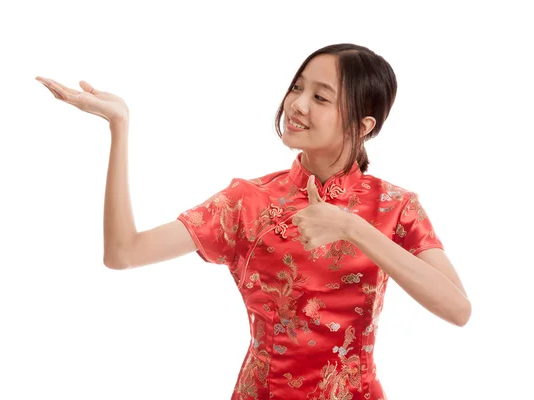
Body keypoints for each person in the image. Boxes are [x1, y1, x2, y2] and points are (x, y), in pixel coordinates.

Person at [36, 43, 471, 400]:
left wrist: (353, 228)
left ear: (363, 124)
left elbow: (457, 309)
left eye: (320, 97)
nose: (297, 105)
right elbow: (123, 253)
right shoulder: (250, 201)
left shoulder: (395, 205)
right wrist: (120, 126)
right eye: (297, 88)